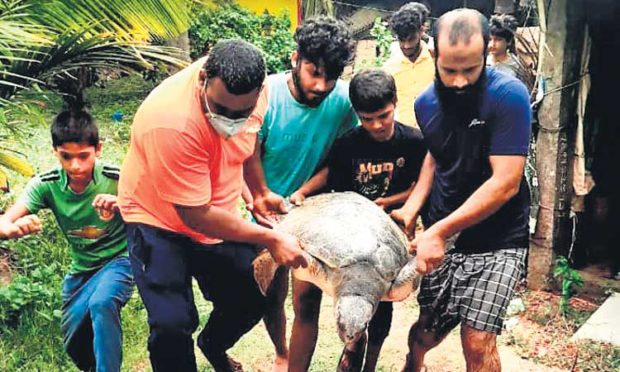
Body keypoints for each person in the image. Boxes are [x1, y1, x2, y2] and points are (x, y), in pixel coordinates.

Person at [117, 39, 308, 372]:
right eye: (221, 110)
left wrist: (259, 191)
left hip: (216, 208)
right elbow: (196, 216)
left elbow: (247, 140)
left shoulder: (257, 92)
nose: (230, 120)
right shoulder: (169, 121)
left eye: (241, 112)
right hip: (156, 219)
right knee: (172, 324)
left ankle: (213, 346)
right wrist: (270, 239)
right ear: (203, 77)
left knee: (252, 294)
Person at [390, 9, 532, 372]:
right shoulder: (425, 104)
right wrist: (413, 208)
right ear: (434, 54)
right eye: (450, 70)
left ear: (487, 53)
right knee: (426, 332)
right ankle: (413, 363)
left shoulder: (509, 96)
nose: (458, 81)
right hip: (445, 233)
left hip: (500, 236)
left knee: (477, 339)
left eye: (470, 70)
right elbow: (436, 157)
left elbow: (505, 182)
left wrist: (437, 231)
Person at [289, 69, 427, 372]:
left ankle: (369, 364)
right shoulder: (348, 144)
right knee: (352, 305)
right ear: (357, 115)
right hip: (353, 240)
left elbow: (423, 183)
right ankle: (352, 347)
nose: (376, 125)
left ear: (395, 103)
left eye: (383, 115)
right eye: (367, 118)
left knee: (382, 314)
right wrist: (302, 192)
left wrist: (389, 204)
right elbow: (330, 176)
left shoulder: (414, 142)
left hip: (392, 239)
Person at [246, 17, 358, 371]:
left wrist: (305, 192)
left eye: (332, 76)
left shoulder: (343, 102)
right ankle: (281, 351)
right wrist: (259, 195)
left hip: (315, 215)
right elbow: (246, 151)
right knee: (269, 296)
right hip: (265, 213)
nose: (322, 85)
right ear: (295, 58)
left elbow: (342, 159)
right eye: (314, 72)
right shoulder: (265, 94)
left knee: (306, 303)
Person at [0, 109, 134, 372]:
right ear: (55, 153)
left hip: (120, 261)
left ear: (98, 149)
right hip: (81, 272)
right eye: (66, 157)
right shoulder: (46, 184)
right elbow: (6, 219)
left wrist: (122, 205)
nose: (76, 166)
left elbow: (154, 210)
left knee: (102, 302)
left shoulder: (117, 178)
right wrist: (9, 229)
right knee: (75, 344)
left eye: (84, 156)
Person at [383, 2, 435, 128]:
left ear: (421, 31)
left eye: (411, 39)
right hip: (405, 136)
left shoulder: (437, 60)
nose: (406, 46)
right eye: (402, 40)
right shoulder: (389, 68)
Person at [487, 14, 526, 81]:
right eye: (490, 39)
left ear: (509, 41)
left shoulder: (515, 66)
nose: (492, 44)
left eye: (498, 39)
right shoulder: (484, 62)